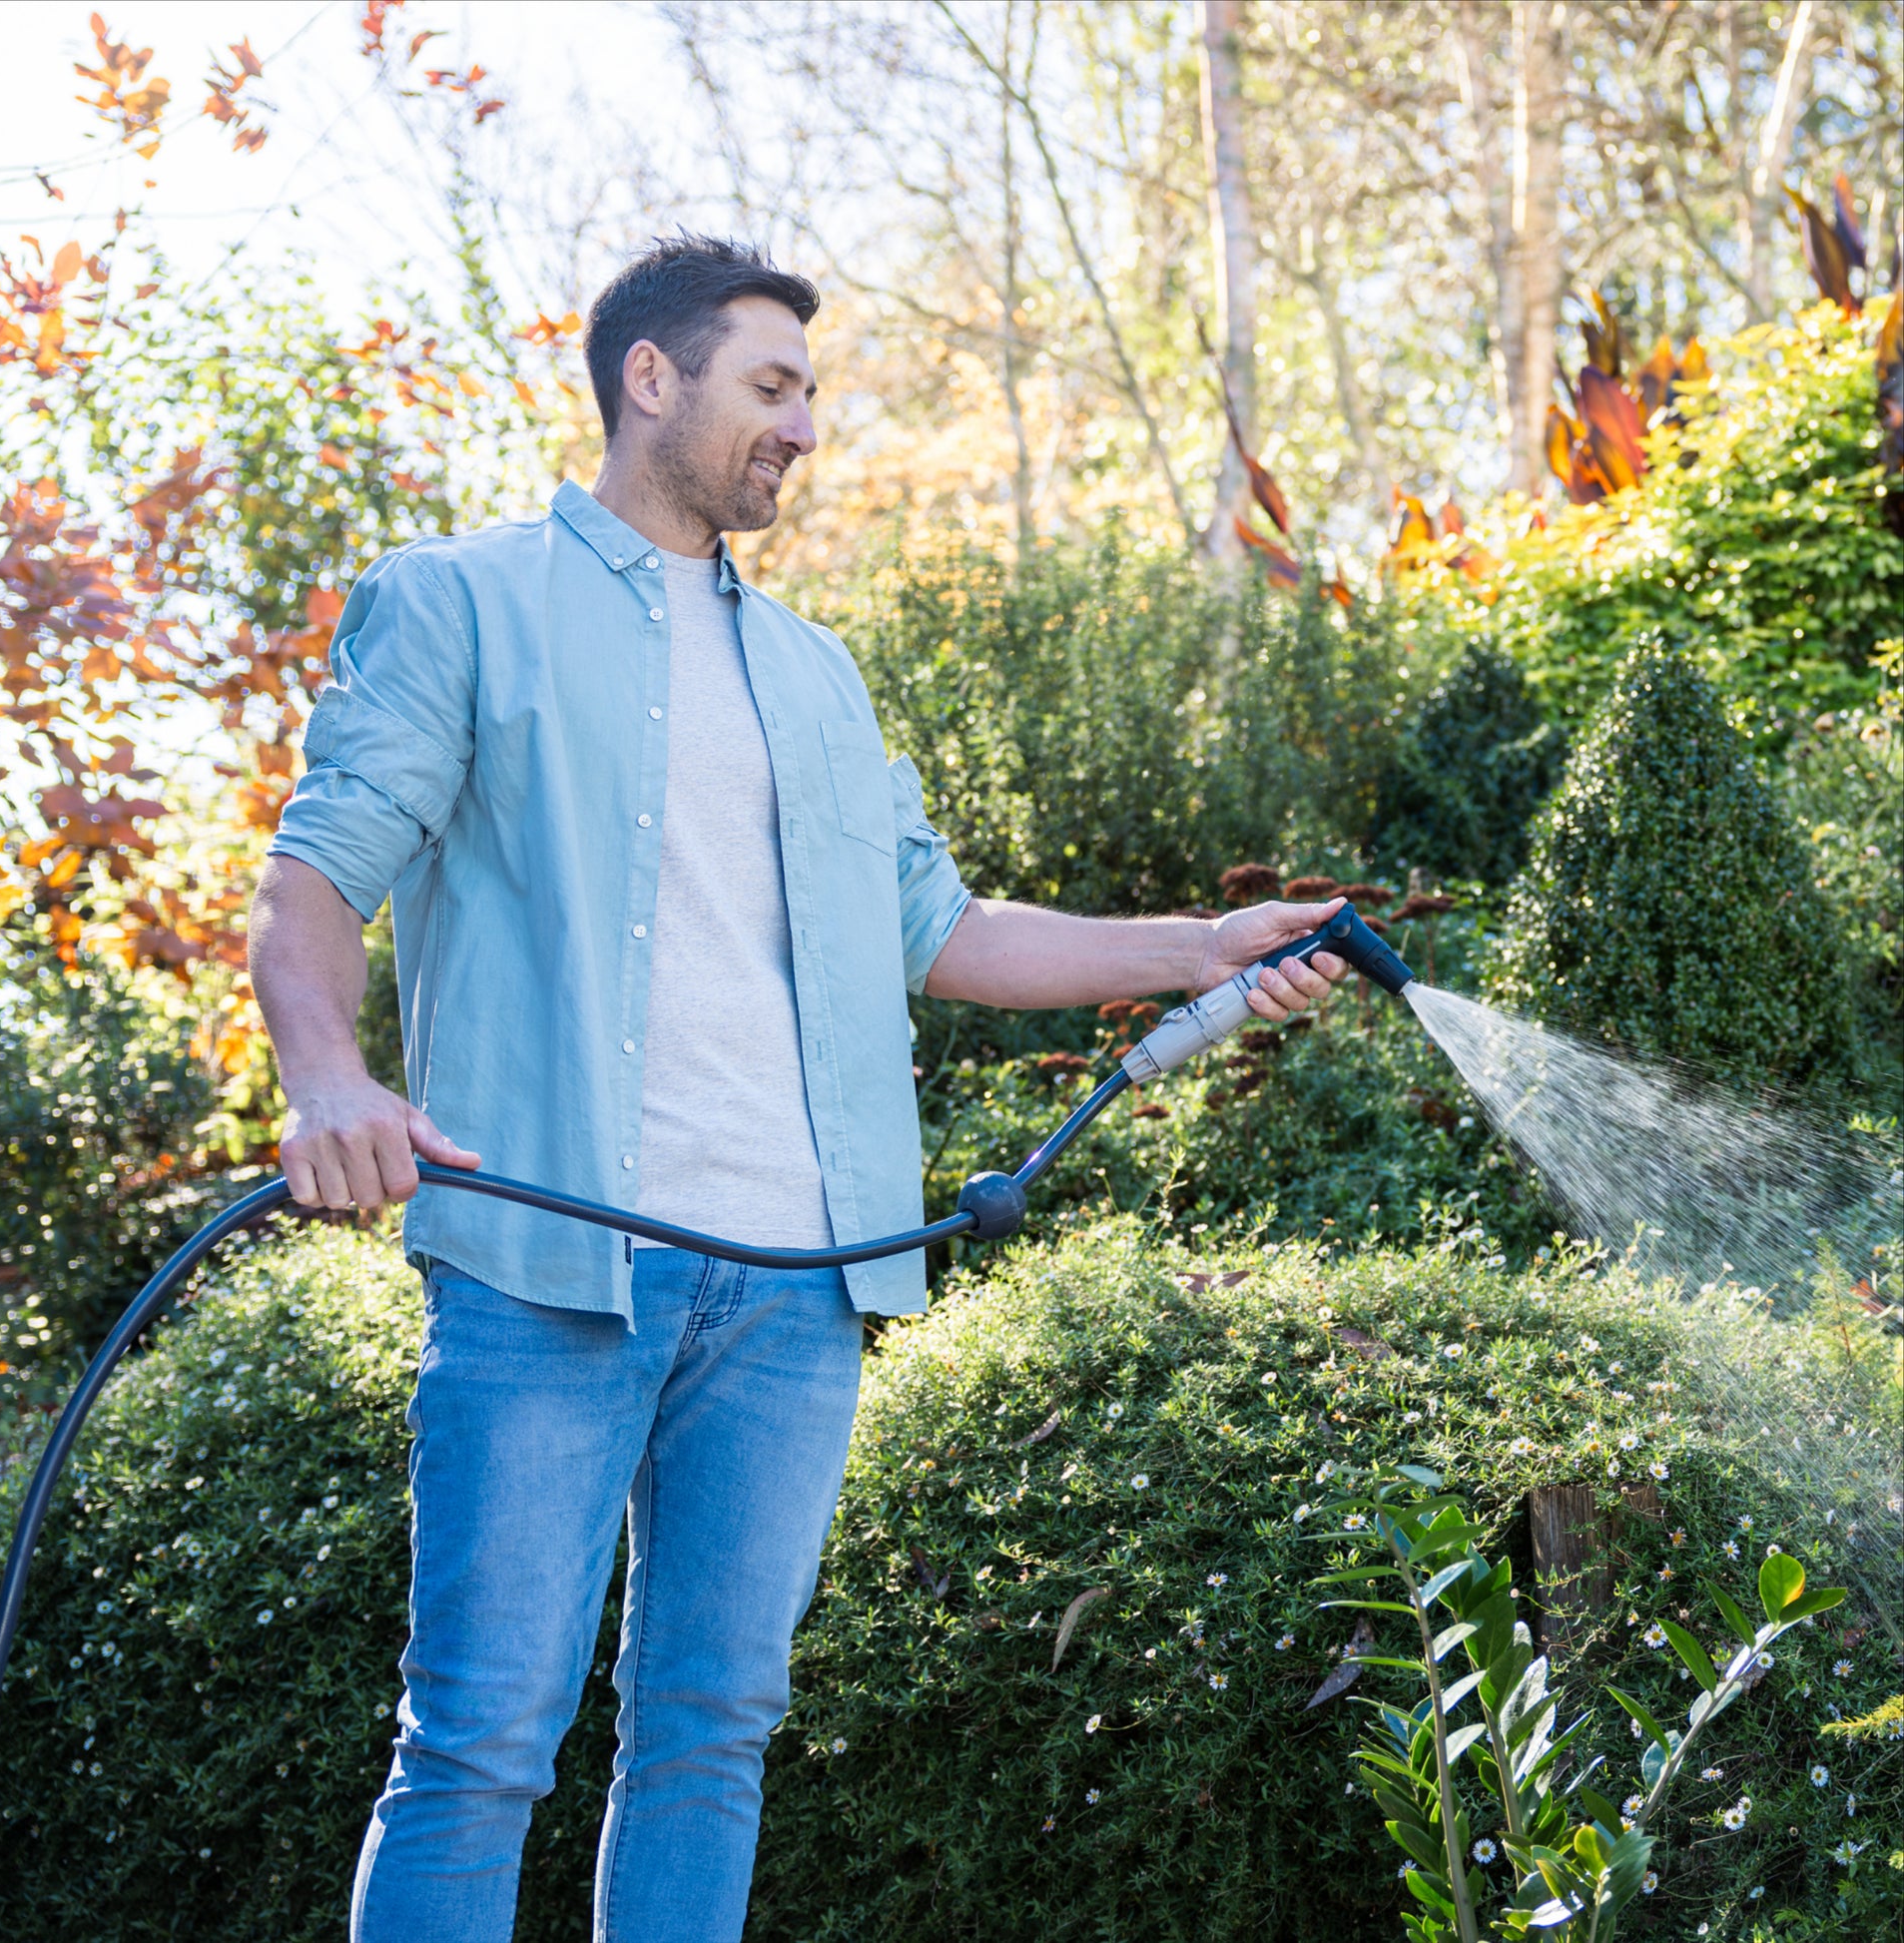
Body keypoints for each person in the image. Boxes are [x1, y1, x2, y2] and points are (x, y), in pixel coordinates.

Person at [250, 234, 1347, 1943]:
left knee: (709, 1739)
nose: (805, 428)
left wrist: (1197, 945)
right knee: (475, 1745)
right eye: (772, 386)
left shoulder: (815, 675)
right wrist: (331, 1079)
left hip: (795, 1283)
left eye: (810, 393)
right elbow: (318, 870)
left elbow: (941, 926)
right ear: (649, 378)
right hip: (553, 1265)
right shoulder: (458, 599)